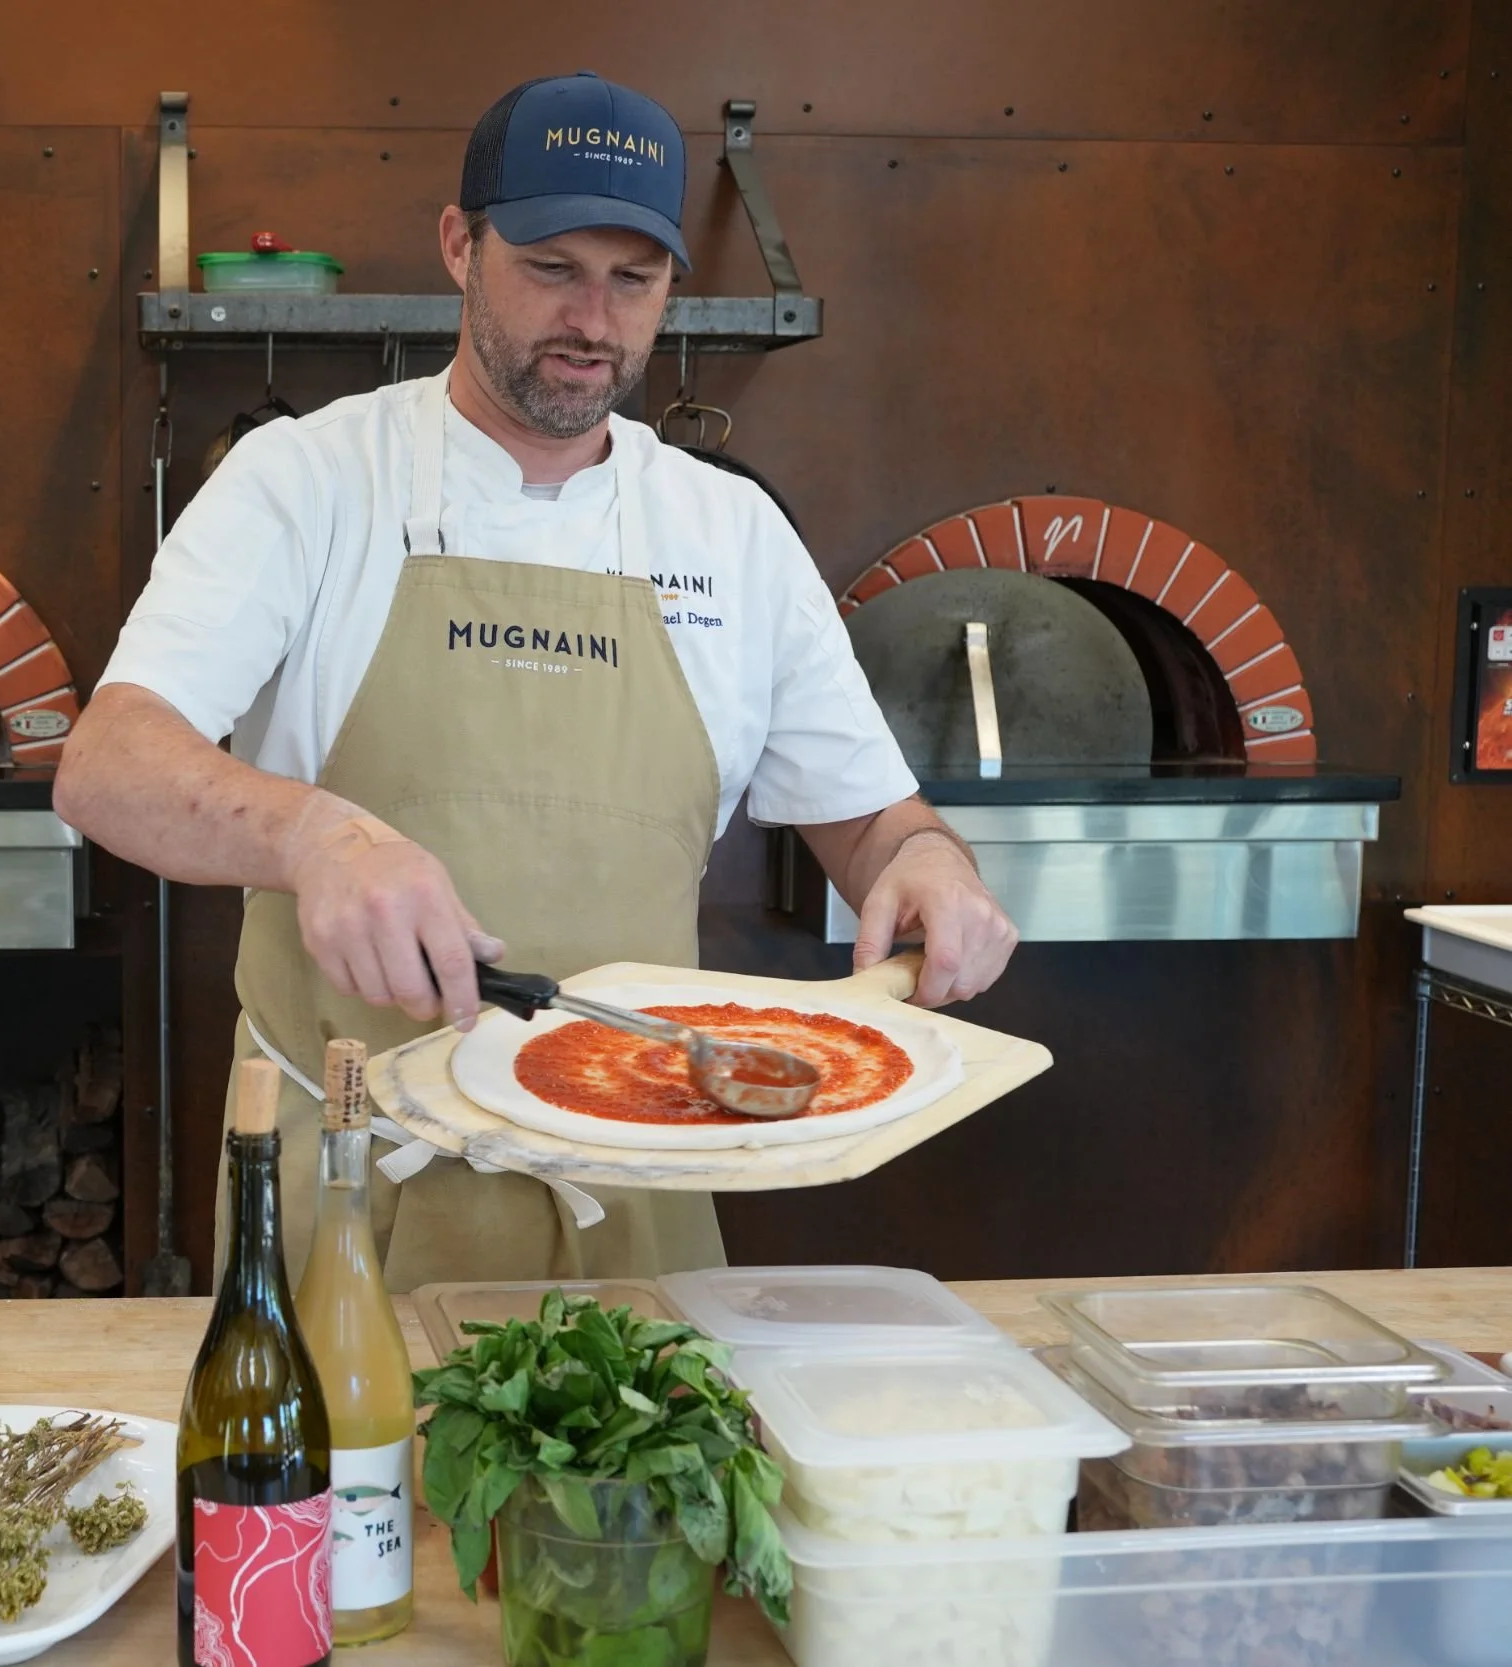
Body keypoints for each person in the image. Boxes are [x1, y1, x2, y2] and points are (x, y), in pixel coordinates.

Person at [54, 71, 1017, 1288]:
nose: (593, 321)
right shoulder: (301, 482)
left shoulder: (729, 533)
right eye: (551, 266)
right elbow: (107, 765)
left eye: (634, 279)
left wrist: (928, 861)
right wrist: (314, 837)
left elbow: (877, 825)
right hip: (357, 1185)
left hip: (644, 1177)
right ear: (461, 245)